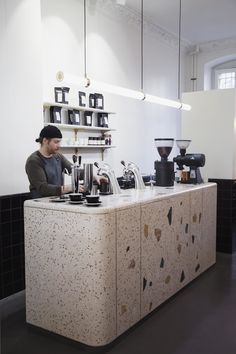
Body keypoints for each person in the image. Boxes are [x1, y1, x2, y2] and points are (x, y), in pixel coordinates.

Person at [25, 125, 105, 198]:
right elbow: (43, 188)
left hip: (57, 201)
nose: (59, 145)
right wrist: (68, 188)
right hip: (40, 204)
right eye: (56, 142)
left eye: (60, 142)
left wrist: (93, 176)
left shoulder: (58, 157)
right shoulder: (34, 161)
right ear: (45, 141)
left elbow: (74, 171)